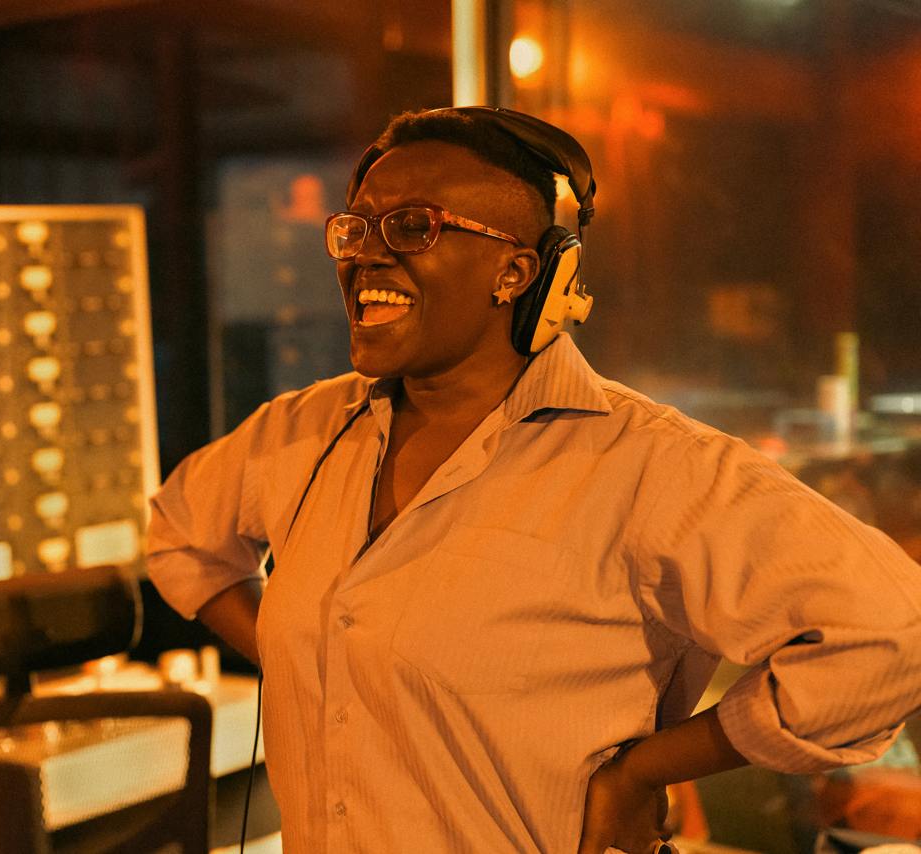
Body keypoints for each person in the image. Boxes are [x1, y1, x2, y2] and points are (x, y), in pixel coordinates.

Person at [144, 106, 921, 853]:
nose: (365, 255)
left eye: (412, 226)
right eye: (357, 228)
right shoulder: (302, 431)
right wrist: (313, 668)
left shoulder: (646, 464)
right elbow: (182, 535)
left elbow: (889, 637)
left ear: (516, 271)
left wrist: (645, 769)